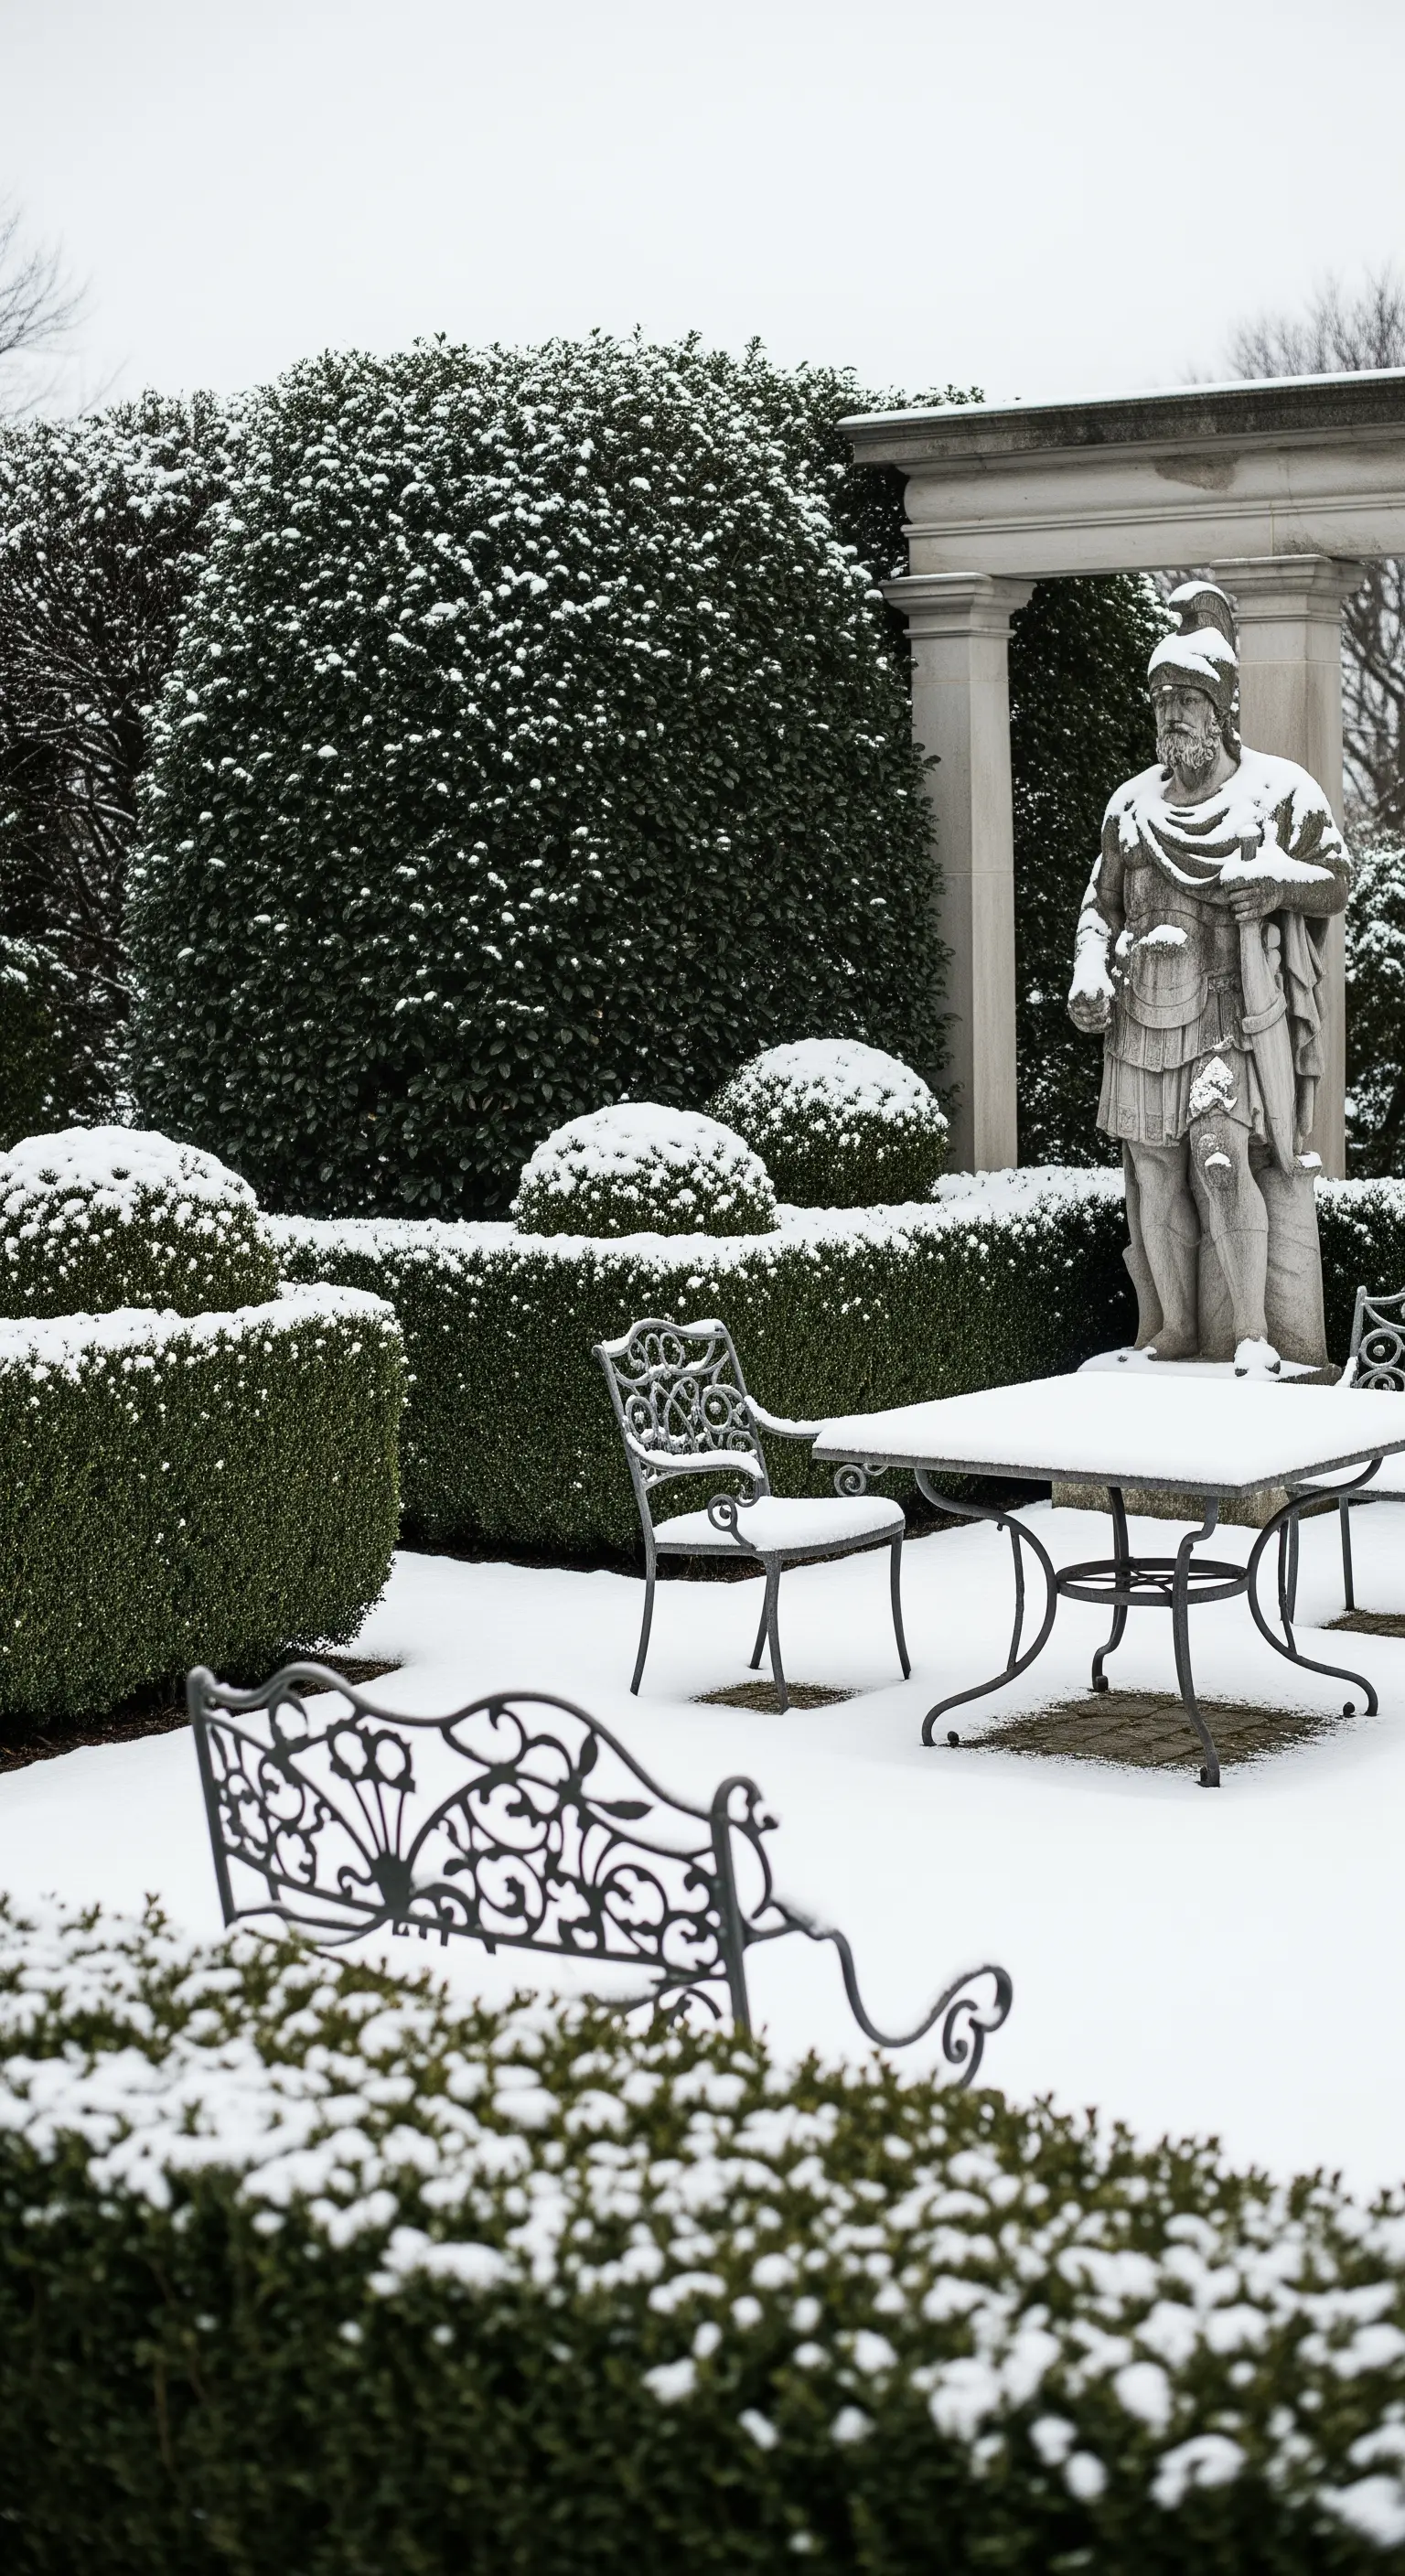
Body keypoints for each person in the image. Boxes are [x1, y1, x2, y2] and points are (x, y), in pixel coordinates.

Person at [1067, 582, 1350, 1371]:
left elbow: (1336, 877)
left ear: (1222, 709)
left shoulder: (1277, 789)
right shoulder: (1130, 808)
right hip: (1140, 1016)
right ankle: (1173, 1331)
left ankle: (1255, 1335)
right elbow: (1102, 907)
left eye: (1189, 698)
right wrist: (1089, 969)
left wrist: (1279, 885)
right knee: (1153, 1177)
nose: (1173, 715)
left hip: (1231, 1009)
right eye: (1162, 701)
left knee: (1221, 1160)